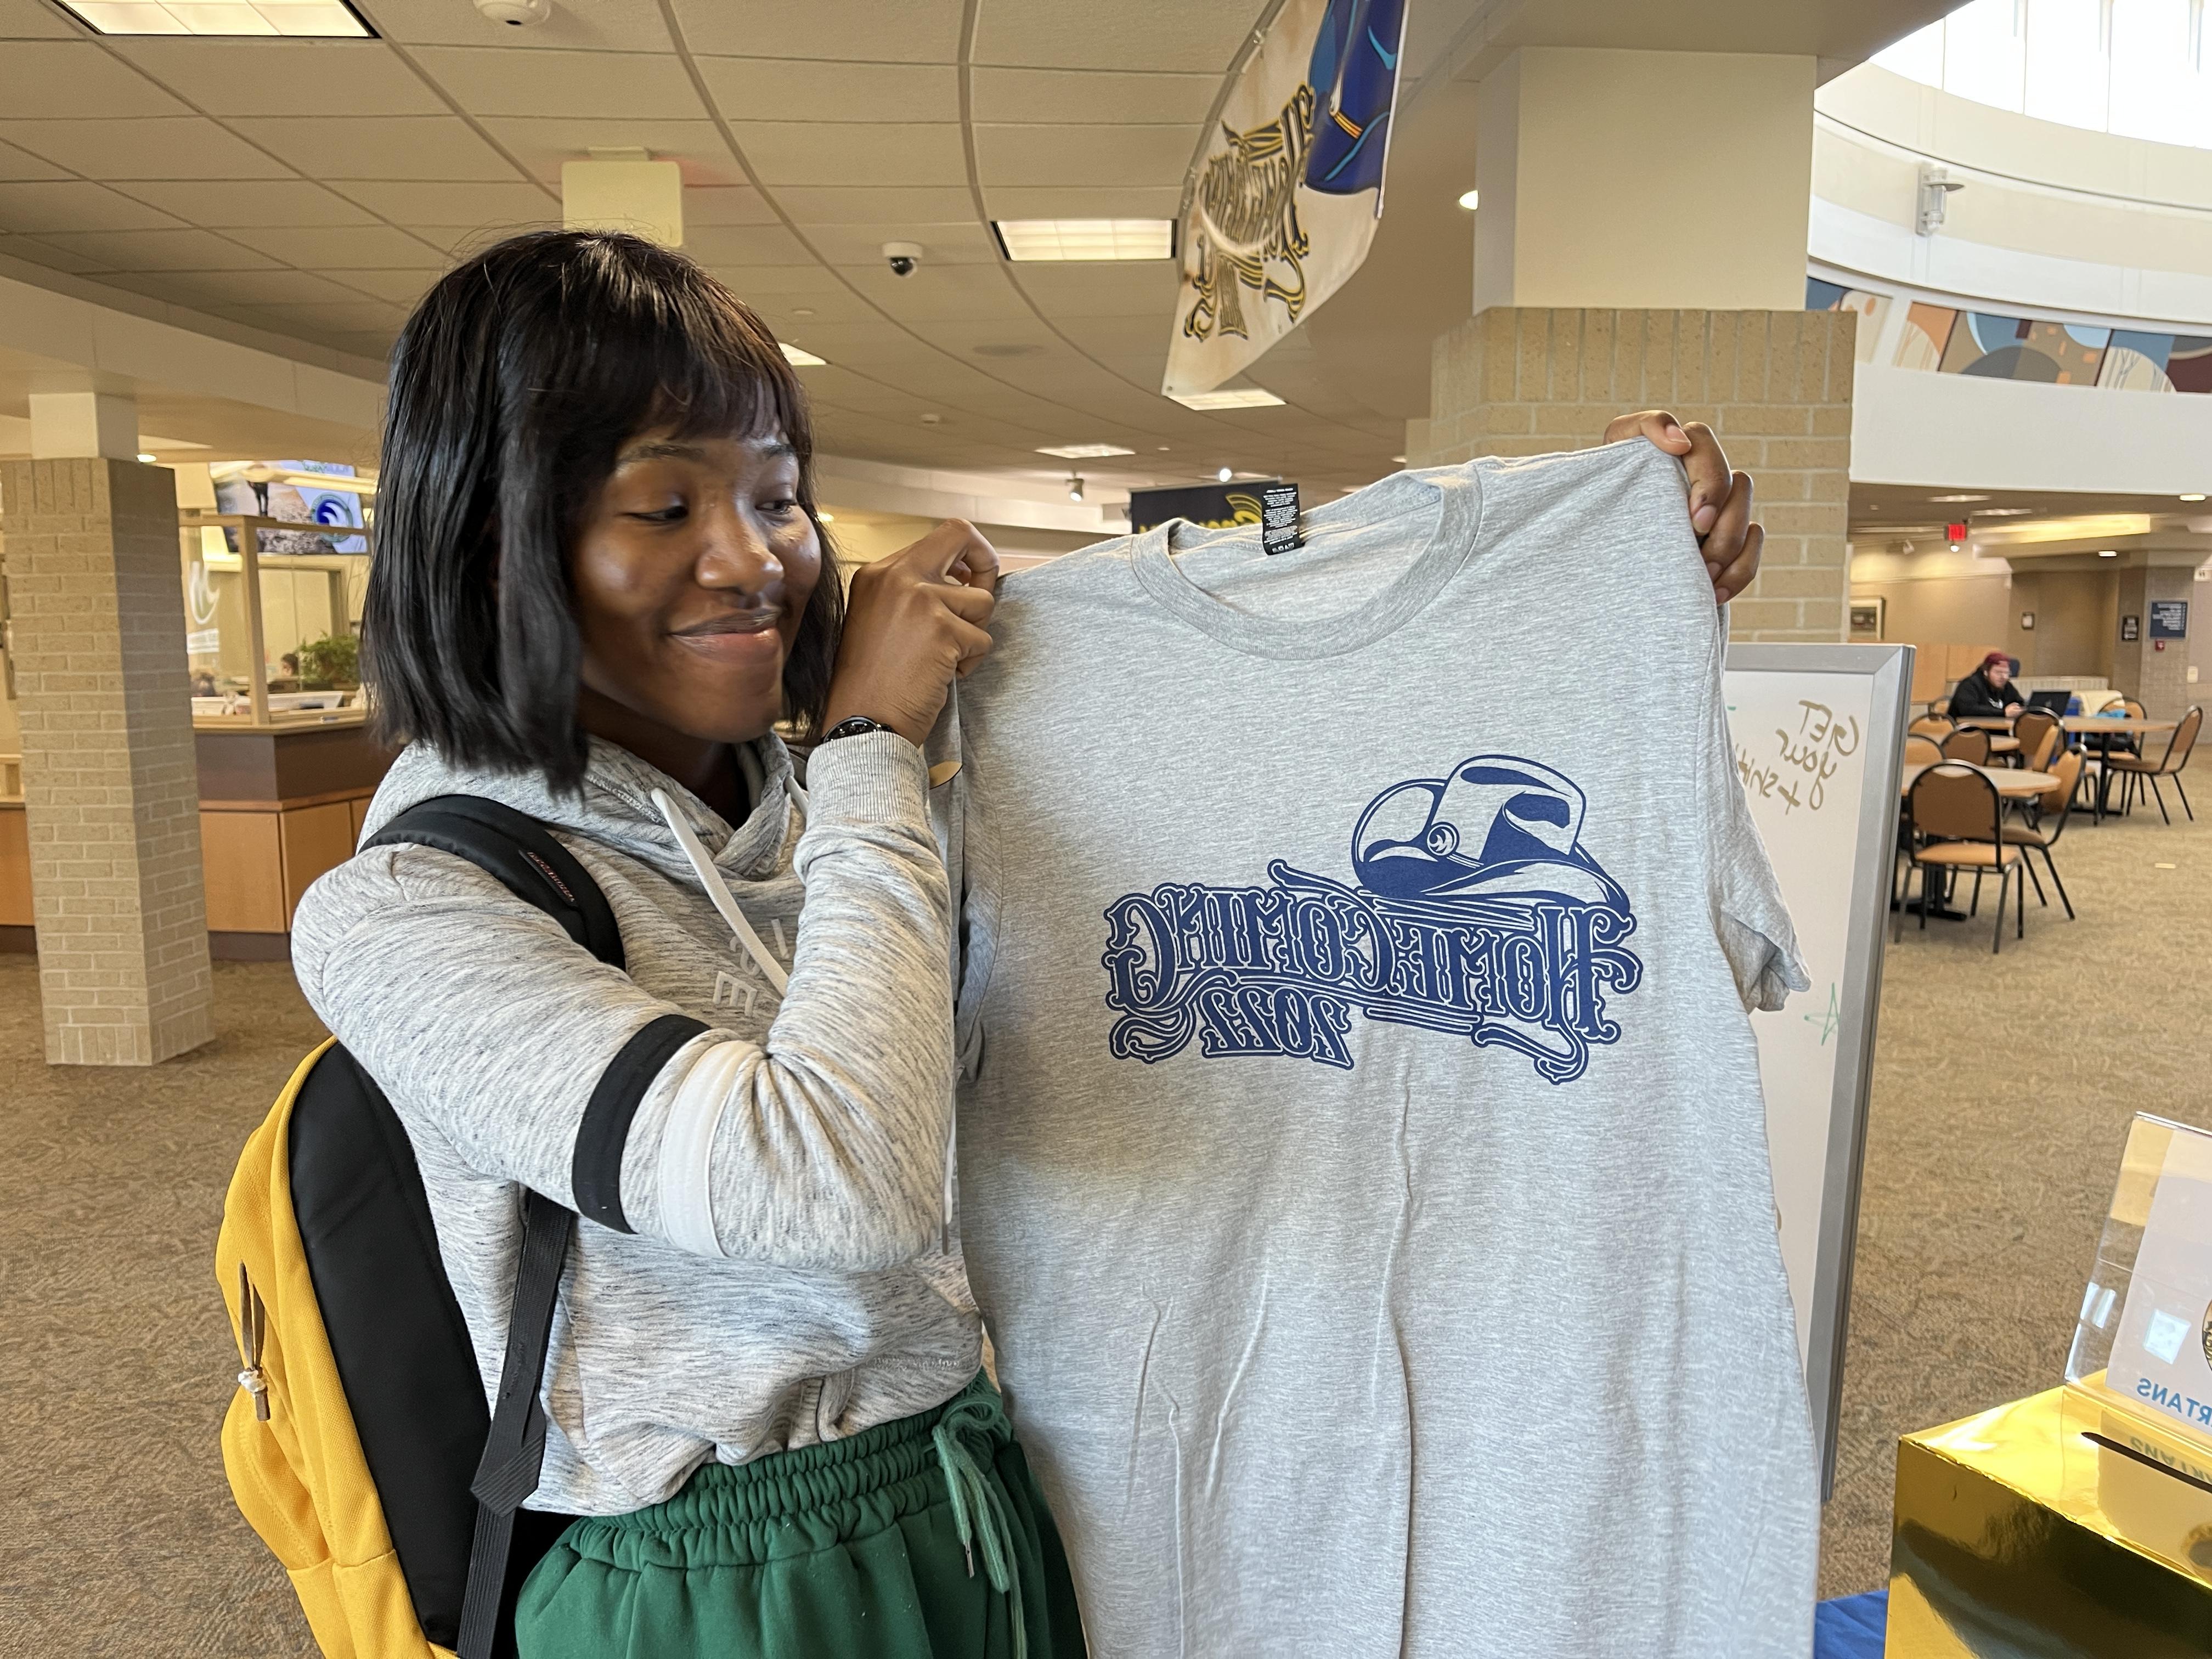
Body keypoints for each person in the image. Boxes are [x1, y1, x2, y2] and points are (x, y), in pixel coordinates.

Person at [287, 229, 1763, 1659]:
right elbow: (831, 1186)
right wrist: (868, 743)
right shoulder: (410, 911)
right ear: (493, 539)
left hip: (975, 1496)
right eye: (664, 509)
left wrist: (1593, 568)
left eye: (781, 498)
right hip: (707, 1578)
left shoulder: (853, 809)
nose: (758, 562)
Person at [1950, 650, 2025, 721]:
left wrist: (2017, 710)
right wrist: (2003, 713)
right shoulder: (1969, 684)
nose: (2003, 677)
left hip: (1998, 729)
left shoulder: (2006, 686)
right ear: (1986, 672)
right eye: (1998, 673)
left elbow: (2019, 702)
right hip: (1969, 731)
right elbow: (1968, 709)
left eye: (2007, 673)